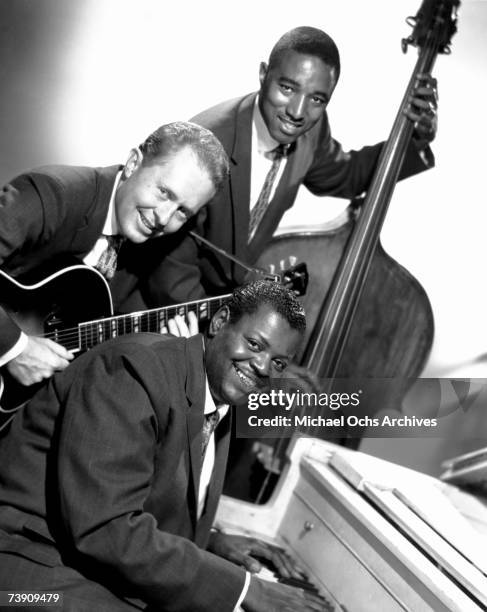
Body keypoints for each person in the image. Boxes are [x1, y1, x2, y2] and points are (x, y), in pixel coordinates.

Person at [0, 280, 327, 612]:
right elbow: (105, 528)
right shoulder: (135, 370)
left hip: (81, 562)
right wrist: (242, 589)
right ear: (219, 322)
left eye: (278, 364)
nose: (261, 367)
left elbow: (140, 495)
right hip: (32, 563)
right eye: (254, 343)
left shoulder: (215, 397)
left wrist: (210, 543)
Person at [147, 26, 438, 303]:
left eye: (316, 99)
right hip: (165, 305)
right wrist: (216, 331)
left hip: (218, 305)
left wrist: (412, 139)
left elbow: (346, 175)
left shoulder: (312, 131)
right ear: (263, 74)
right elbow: (167, 263)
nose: (298, 112)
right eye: (287, 88)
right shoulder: (206, 144)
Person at [0, 121, 229, 387]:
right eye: (164, 192)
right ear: (133, 163)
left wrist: (166, 351)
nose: (164, 218)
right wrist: (16, 349)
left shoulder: (156, 245)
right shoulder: (52, 194)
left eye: (182, 211)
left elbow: (110, 342)